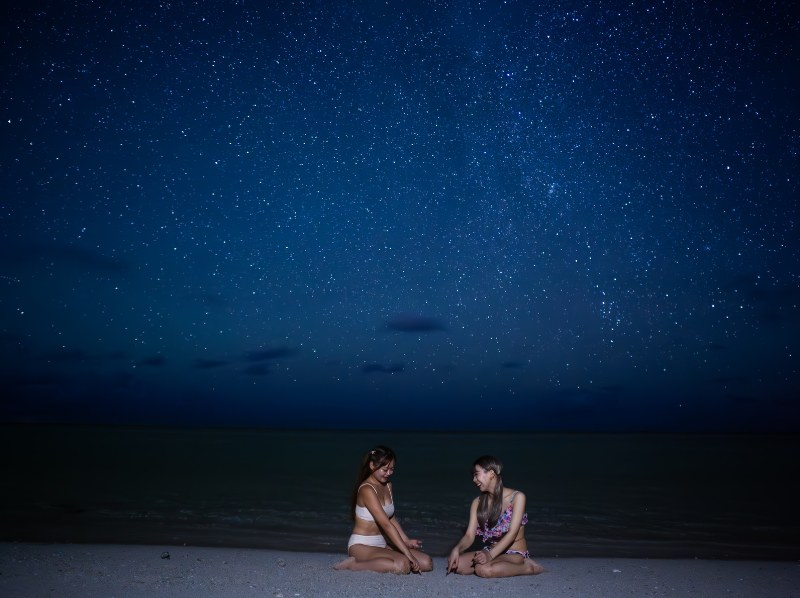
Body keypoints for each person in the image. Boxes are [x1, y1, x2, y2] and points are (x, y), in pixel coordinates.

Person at [334, 445, 433, 574]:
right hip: (361, 546)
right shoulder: (367, 489)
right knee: (402, 565)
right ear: (371, 466)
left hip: (381, 544)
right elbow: (386, 524)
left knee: (427, 563)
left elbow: (391, 518)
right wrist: (407, 553)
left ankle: (386, 559)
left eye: (391, 469)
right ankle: (353, 565)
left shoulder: (388, 485)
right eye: (385, 469)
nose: (388, 473)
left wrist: (406, 540)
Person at [447, 455, 544, 577]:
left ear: (491, 473)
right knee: (458, 564)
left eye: (476, 474)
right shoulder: (477, 502)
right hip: (490, 550)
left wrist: (490, 555)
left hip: (514, 553)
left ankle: (528, 567)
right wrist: (457, 549)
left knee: (483, 570)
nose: (474, 480)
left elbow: (512, 533)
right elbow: (469, 535)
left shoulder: (517, 497)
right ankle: (490, 560)